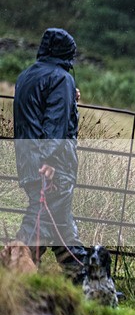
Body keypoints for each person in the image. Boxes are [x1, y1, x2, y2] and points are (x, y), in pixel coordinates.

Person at [13, 28, 88, 285]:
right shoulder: (61, 79)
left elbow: (35, 115)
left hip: (28, 161)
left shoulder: (26, 76)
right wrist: (51, 161)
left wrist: (70, 100)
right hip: (53, 166)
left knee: (61, 226)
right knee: (39, 223)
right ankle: (12, 274)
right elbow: (55, 124)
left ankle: (82, 281)